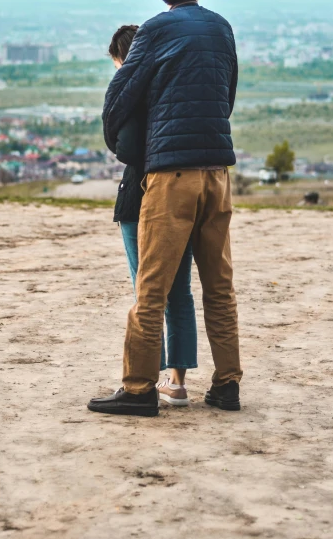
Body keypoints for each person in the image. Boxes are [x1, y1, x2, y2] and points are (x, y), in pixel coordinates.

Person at [88, 0, 241, 417]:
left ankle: (137, 389)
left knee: (151, 288)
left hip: (170, 174)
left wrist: (123, 142)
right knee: (218, 287)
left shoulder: (153, 30)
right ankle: (227, 385)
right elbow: (228, 91)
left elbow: (121, 95)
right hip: (217, 173)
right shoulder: (221, 28)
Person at [108, 25, 198, 406]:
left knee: (145, 291)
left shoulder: (134, 91)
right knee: (179, 291)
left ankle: (143, 379)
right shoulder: (172, 88)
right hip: (182, 195)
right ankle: (176, 381)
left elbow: (126, 147)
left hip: (139, 197)